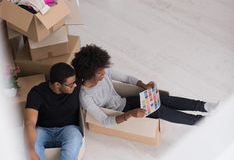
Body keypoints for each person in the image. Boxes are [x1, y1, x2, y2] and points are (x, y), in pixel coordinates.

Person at [71, 44, 218, 127]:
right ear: (88, 73)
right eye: (100, 72)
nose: (104, 73)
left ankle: (205, 106)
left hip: (126, 101)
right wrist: (131, 114)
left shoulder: (103, 71)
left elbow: (126, 78)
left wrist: (143, 85)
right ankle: (199, 122)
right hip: (122, 112)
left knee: (162, 98)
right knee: (159, 110)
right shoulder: (86, 97)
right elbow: (105, 121)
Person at [24, 62, 83, 160]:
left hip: (68, 129)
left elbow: (104, 73)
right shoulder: (36, 93)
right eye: (70, 85)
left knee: (75, 141)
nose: (75, 86)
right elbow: (30, 123)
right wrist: (31, 150)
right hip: (43, 130)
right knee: (30, 147)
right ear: (57, 85)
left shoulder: (76, 85)